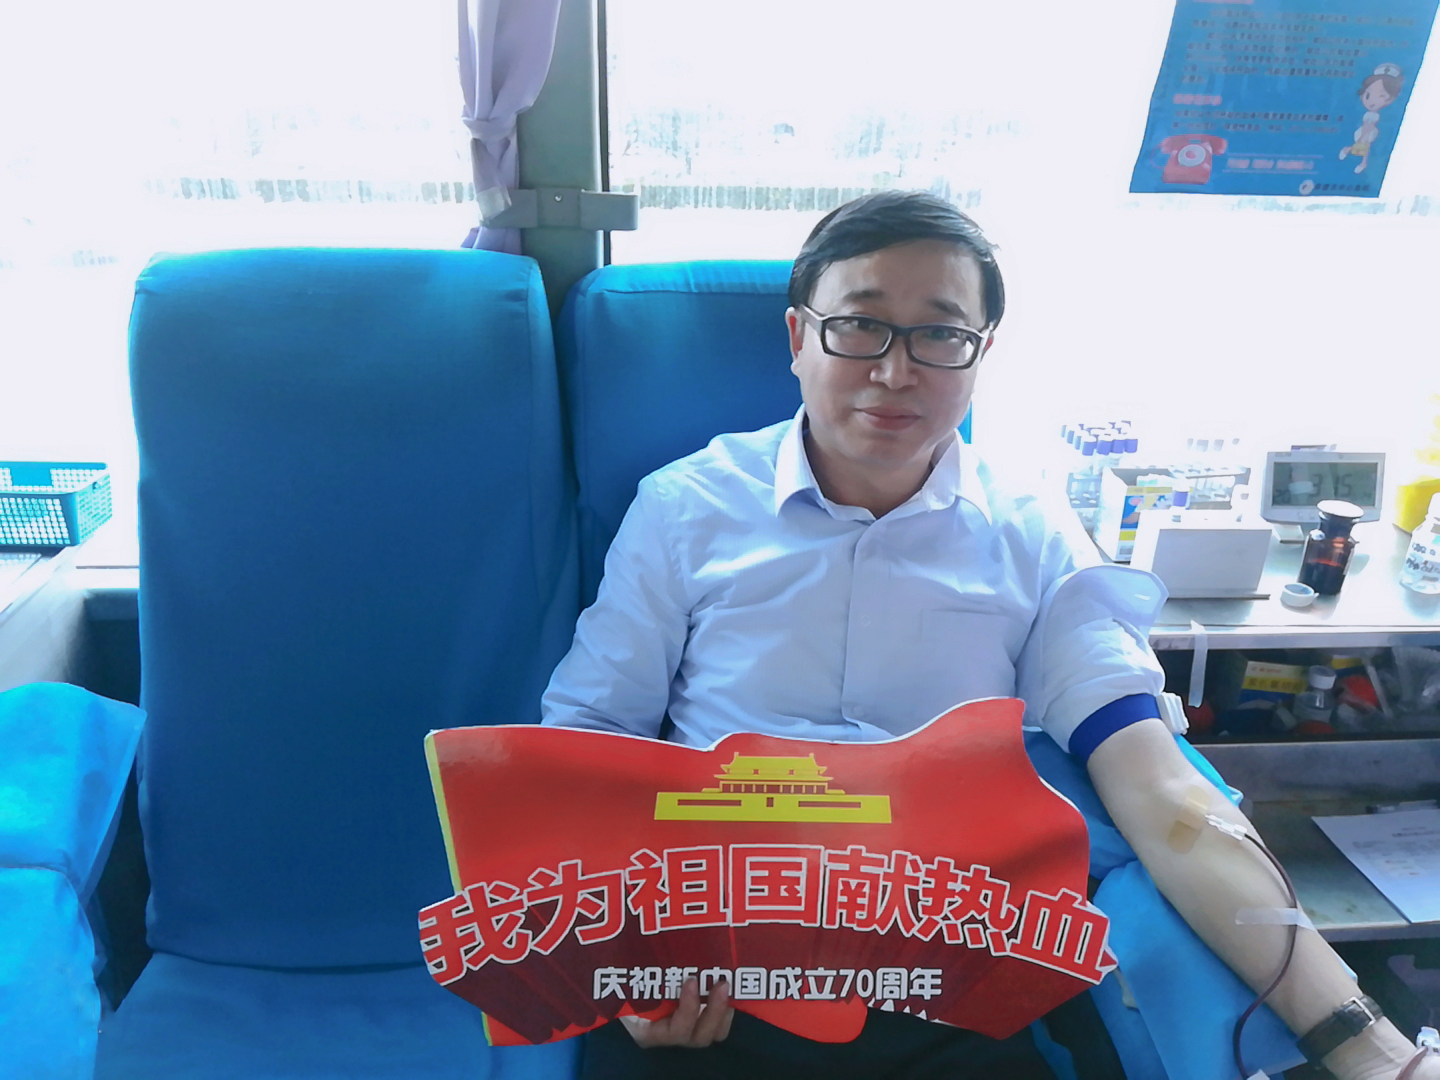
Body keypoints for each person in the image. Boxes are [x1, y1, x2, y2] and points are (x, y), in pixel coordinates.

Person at [541, 191, 1439, 1080]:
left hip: (951, 974)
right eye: (860, 326)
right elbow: (587, 741)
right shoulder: (685, 507)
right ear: (797, 338)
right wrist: (621, 963)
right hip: (713, 966)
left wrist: (1368, 1048)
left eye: (939, 334)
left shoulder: (1031, 535)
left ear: (981, 354)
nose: (895, 371)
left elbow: (1155, 782)